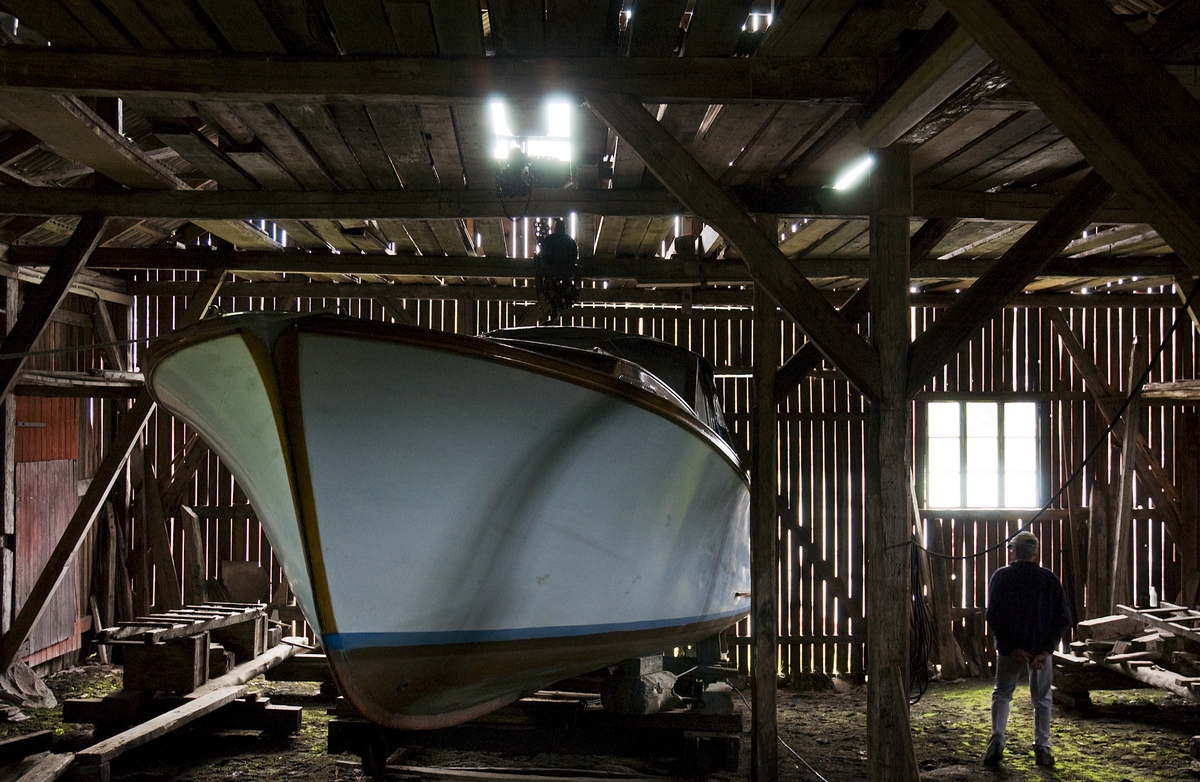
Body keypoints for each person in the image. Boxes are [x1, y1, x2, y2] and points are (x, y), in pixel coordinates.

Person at [983, 530, 1071, 768]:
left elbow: (994, 616)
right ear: (1036, 553)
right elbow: (1062, 618)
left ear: (1014, 550)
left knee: (1002, 694)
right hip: (1040, 651)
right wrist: (1046, 650)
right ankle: (1042, 748)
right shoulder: (1048, 579)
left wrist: (1011, 648)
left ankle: (997, 741)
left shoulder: (1002, 577)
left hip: (1011, 650)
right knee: (1042, 699)